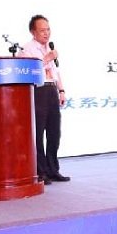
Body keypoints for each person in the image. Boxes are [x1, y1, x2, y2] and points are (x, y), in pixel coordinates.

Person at [20, 14, 70, 184]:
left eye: (48, 29)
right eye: (42, 30)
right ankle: (40, 172)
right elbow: (26, 70)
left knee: (54, 132)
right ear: (33, 32)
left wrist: (61, 90)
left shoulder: (49, 48)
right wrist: (46, 59)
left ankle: (53, 169)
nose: (46, 33)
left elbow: (56, 72)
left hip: (51, 90)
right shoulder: (26, 50)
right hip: (38, 90)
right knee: (38, 133)